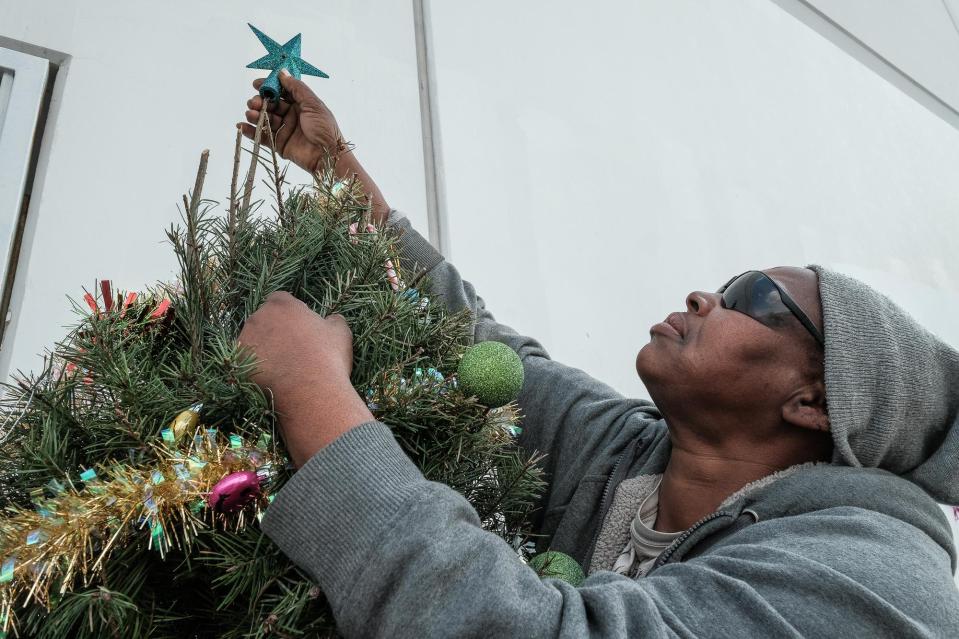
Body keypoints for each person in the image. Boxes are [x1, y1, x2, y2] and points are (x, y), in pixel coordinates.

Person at [236, 72, 959, 637]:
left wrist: (311, 392)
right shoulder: (633, 460)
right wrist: (336, 166)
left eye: (758, 297)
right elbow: (479, 340)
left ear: (818, 399)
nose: (707, 296)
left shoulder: (873, 576)